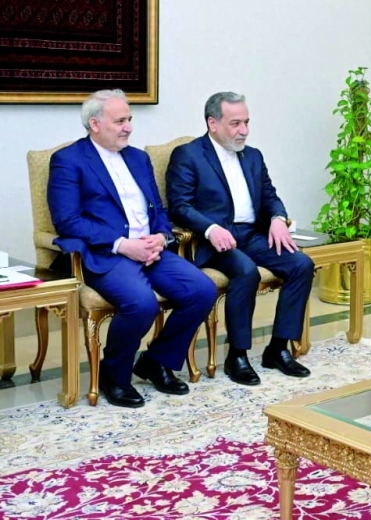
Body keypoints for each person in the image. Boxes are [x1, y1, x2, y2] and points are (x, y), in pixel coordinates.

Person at [48, 90, 217, 408]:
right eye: (120, 121)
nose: (128, 127)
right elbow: (67, 221)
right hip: (107, 254)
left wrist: (161, 237)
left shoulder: (138, 158)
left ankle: (156, 362)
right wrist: (123, 244)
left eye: (129, 119)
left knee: (202, 290)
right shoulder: (69, 161)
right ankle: (113, 376)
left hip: (151, 250)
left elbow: (158, 210)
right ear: (95, 124)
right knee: (141, 304)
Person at [166, 92, 314, 386]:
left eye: (246, 122)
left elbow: (270, 197)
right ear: (213, 123)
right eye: (235, 123)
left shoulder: (253, 156)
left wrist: (277, 219)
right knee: (246, 271)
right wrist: (210, 229)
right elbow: (180, 206)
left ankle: (277, 349)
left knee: (301, 264)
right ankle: (237, 355)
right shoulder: (189, 155)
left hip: (251, 234)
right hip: (212, 240)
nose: (244, 130)